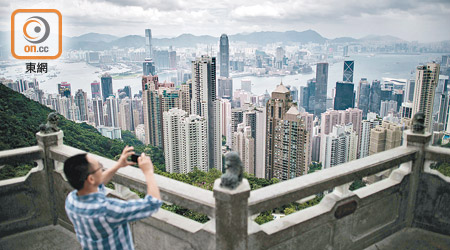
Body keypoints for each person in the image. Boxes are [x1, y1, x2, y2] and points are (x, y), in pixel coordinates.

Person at [64, 146, 162, 250]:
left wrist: (118, 165)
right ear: (91, 179)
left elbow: (97, 184)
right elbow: (153, 204)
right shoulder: (106, 210)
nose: (101, 169)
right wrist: (148, 172)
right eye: (99, 167)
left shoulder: (71, 200)